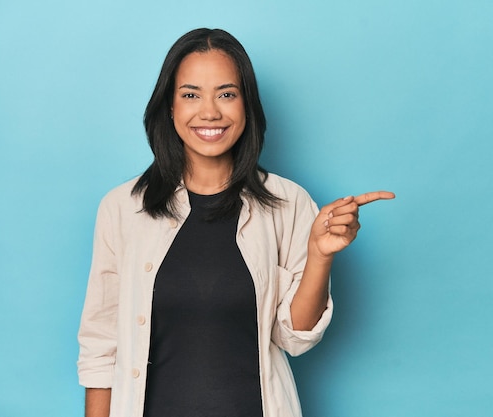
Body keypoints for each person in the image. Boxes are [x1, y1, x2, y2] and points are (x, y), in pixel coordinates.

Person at [77, 28, 394, 417]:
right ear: (170, 107)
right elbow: (100, 345)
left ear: (247, 106)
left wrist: (318, 256)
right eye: (190, 94)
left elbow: (295, 337)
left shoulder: (289, 203)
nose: (210, 112)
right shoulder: (122, 208)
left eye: (226, 94)